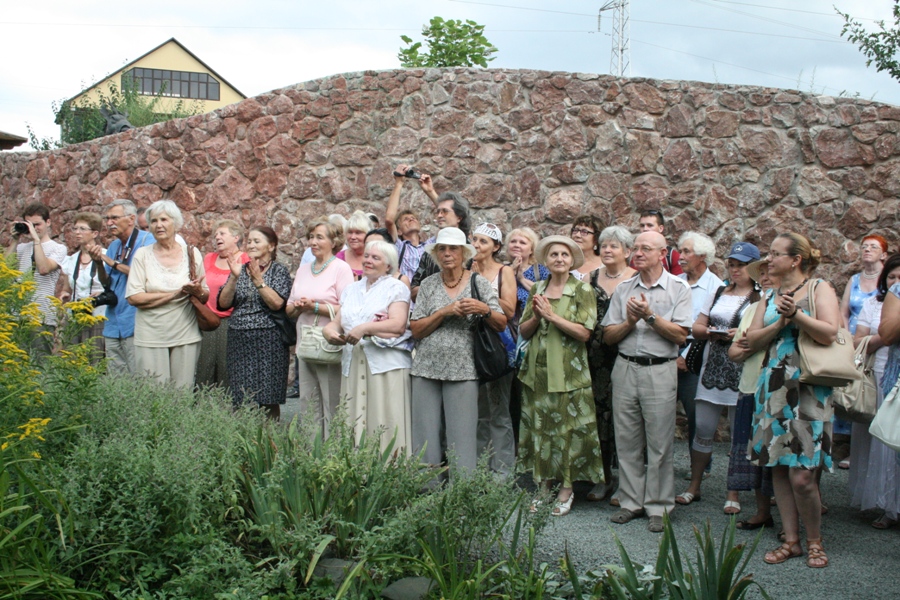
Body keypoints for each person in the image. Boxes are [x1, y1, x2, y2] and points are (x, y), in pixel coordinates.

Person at [747, 233, 838, 569]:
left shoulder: (819, 289)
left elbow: (830, 333)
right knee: (779, 466)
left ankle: (815, 540)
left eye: (775, 254)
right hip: (772, 388)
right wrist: (781, 322)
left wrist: (797, 316)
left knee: (803, 475)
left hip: (808, 387)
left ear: (796, 259)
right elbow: (751, 340)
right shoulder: (768, 295)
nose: (768, 260)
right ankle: (791, 541)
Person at [602, 231, 692, 533]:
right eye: (636, 248)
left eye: (645, 249)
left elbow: (680, 335)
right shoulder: (624, 288)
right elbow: (609, 336)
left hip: (660, 369)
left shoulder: (678, 288)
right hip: (626, 367)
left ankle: (658, 506)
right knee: (626, 440)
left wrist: (650, 316)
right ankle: (630, 502)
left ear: (662, 254)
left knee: (660, 443)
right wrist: (630, 321)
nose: (637, 253)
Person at [409, 227, 505, 477]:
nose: (447, 253)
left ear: (464, 253)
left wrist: (483, 309)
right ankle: (426, 490)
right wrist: (444, 311)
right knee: (424, 435)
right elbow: (416, 329)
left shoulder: (478, 282)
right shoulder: (428, 284)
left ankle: (462, 492)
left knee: (462, 436)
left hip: (464, 368)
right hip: (426, 367)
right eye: (442, 249)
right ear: (436, 254)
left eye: (453, 248)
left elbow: (501, 323)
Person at [518, 235, 603, 516]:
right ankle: (544, 487)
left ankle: (566, 489)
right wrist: (537, 316)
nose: (559, 259)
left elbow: (585, 332)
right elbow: (523, 331)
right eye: (554, 254)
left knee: (566, 431)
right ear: (546, 259)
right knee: (541, 429)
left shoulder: (582, 289)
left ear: (571, 261)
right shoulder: (537, 288)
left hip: (569, 374)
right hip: (537, 372)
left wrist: (552, 316)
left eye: (564, 255)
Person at [676, 242, 760, 513]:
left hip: (741, 368)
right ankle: (695, 485)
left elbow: (763, 330)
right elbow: (697, 327)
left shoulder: (761, 297)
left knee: (739, 432)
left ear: (754, 268)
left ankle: (733, 491)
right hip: (712, 366)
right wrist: (711, 332)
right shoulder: (719, 291)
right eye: (732, 265)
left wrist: (741, 333)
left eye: (742, 266)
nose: (735, 270)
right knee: (703, 428)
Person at [323, 240, 413, 452]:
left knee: (384, 417)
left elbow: (398, 325)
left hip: (386, 365)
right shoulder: (351, 289)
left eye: (375, 258)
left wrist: (364, 328)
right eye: (367, 256)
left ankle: (390, 465)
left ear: (388, 265)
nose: (368, 261)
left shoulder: (396, 287)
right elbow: (337, 322)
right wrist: (328, 331)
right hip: (354, 363)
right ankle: (358, 466)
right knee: (355, 417)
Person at [125, 200, 207, 387]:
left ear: (175, 223)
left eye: (164, 219)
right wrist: (174, 295)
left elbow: (205, 296)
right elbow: (134, 297)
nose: (158, 225)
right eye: (153, 221)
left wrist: (197, 291)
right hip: (150, 334)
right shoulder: (142, 255)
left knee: (182, 393)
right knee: (154, 394)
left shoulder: (192, 253)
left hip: (185, 333)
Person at [286, 218, 354, 436]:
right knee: (308, 402)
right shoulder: (303, 270)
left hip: (328, 344)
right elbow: (289, 308)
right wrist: (297, 307)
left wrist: (315, 307)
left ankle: (333, 450)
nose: (313, 242)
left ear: (334, 242)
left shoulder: (341, 269)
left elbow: (348, 307)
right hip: (306, 343)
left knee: (332, 401)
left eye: (319, 237)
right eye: (311, 237)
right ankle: (311, 450)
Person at [217, 226, 293, 418]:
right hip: (239, 340)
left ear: (271, 246)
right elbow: (223, 304)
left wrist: (259, 282)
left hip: (270, 342)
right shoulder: (240, 270)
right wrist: (233, 278)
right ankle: (243, 435)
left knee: (268, 397)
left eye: (257, 241)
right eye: (249, 241)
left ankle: (269, 436)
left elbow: (277, 303)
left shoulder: (278, 271)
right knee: (240, 396)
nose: (251, 245)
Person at [585, 225, 637, 502]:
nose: (606, 249)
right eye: (604, 245)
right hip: (593, 357)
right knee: (598, 418)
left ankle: (628, 483)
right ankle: (602, 477)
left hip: (625, 352)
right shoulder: (589, 277)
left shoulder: (636, 278)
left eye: (613, 246)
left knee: (627, 419)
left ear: (627, 252)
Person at [848, 253, 900, 529]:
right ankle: (884, 504)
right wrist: (883, 338)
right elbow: (862, 340)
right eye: (891, 277)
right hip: (881, 374)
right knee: (883, 441)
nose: (896, 281)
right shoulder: (877, 303)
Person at [727, 259, 777, 531]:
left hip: (777, 389)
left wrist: (754, 340)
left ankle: (790, 519)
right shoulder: (754, 309)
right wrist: (754, 344)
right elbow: (734, 352)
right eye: (762, 274)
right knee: (757, 452)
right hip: (750, 386)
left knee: (779, 453)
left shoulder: (789, 307)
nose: (766, 277)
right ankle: (762, 511)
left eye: (771, 272)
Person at [837, 234, 888, 467]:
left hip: (877, 341)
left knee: (873, 391)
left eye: (873, 247)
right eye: (864, 246)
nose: (867, 250)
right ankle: (852, 447)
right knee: (854, 390)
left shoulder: (888, 280)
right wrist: (845, 339)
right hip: (855, 343)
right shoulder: (854, 280)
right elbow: (844, 311)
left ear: (884, 254)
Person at [471, 223, 518, 477]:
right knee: (478, 412)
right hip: (470, 344)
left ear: (496, 247)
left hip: (496, 345)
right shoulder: (465, 268)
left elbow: (509, 310)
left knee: (499, 410)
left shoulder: (504, 271)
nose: (477, 245)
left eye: (483, 241)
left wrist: (480, 286)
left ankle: (502, 471)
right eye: (474, 240)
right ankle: (480, 470)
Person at [88, 199, 155, 373]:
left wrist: (113, 263)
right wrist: (99, 263)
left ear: (131, 219)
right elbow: (107, 283)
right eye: (108, 218)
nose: (109, 223)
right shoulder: (114, 246)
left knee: (139, 376)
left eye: (115, 218)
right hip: (113, 321)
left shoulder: (147, 241)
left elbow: (147, 276)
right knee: (116, 379)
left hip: (135, 321)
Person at [676, 231, 724, 462]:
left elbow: (711, 327)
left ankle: (700, 467)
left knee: (696, 415)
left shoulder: (716, 287)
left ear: (703, 256)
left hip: (696, 355)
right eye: (680, 251)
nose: (680, 256)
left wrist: (687, 356)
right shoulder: (675, 282)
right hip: (669, 349)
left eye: (686, 251)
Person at [196, 220, 249, 389]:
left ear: (236, 237)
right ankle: (203, 403)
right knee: (204, 367)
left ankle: (227, 404)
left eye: (222, 233)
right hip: (208, 321)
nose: (217, 237)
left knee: (227, 368)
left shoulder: (245, 259)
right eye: (216, 235)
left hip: (232, 322)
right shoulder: (209, 258)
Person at [507, 227, 548, 442]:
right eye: (513, 241)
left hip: (532, 335)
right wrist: (509, 274)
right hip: (507, 336)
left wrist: (521, 278)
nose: (517, 245)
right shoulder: (502, 270)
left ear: (532, 248)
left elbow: (547, 295)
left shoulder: (541, 271)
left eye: (522, 242)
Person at [11, 202, 67, 350]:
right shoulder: (21, 248)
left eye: (37, 224)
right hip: (18, 314)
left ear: (48, 222)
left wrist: (36, 241)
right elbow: (4, 269)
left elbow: (43, 268)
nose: (34, 229)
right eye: (29, 225)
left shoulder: (58, 248)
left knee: (40, 360)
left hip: (42, 316)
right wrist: (15, 240)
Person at [56, 212, 109, 359]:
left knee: (96, 357)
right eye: (75, 228)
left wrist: (102, 294)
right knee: (73, 357)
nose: (77, 232)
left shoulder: (106, 256)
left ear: (95, 233)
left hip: (98, 316)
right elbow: (67, 288)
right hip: (75, 316)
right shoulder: (71, 260)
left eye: (82, 229)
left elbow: (112, 286)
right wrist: (64, 295)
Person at [410, 191, 472, 301]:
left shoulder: (470, 251)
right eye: (438, 212)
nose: (439, 215)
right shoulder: (430, 252)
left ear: (459, 217)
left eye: (445, 211)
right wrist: (438, 289)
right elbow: (414, 291)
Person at [386, 164, 433, 280]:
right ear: (399, 231)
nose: (411, 219)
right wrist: (399, 183)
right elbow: (389, 220)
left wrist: (430, 191)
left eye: (413, 218)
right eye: (406, 219)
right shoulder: (399, 246)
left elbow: (449, 221)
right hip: (406, 291)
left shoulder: (430, 246)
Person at [634, 209, 683, 275]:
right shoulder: (636, 254)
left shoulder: (672, 256)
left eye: (650, 225)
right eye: (642, 226)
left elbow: (677, 280)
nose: (645, 229)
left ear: (661, 228)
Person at [336, 210, 375, 279]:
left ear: (368, 234)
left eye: (358, 233)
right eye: (350, 232)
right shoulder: (338, 258)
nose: (353, 237)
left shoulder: (377, 259)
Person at [568, 215, 604, 281]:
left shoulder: (605, 265)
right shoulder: (565, 262)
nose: (577, 235)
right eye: (575, 230)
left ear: (597, 238)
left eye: (584, 232)